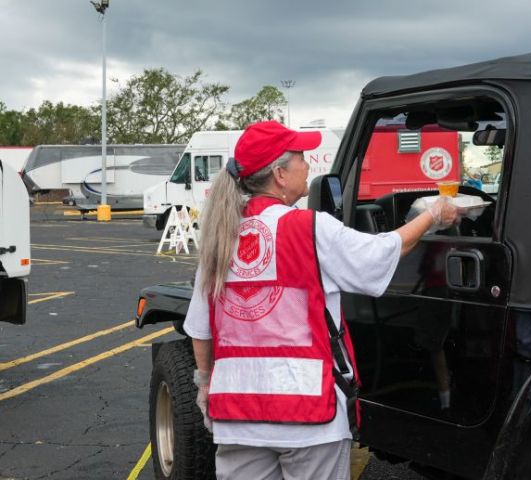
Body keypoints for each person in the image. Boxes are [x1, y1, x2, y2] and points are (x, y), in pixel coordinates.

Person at [182, 120, 459, 480]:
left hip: (237, 414)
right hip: (308, 411)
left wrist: (205, 386)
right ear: (280, 174)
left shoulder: (221, 234)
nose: (308, 165)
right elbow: (380, 253)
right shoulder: (310, 228)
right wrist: (432, 215)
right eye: (300, 157)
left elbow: (200, 329)